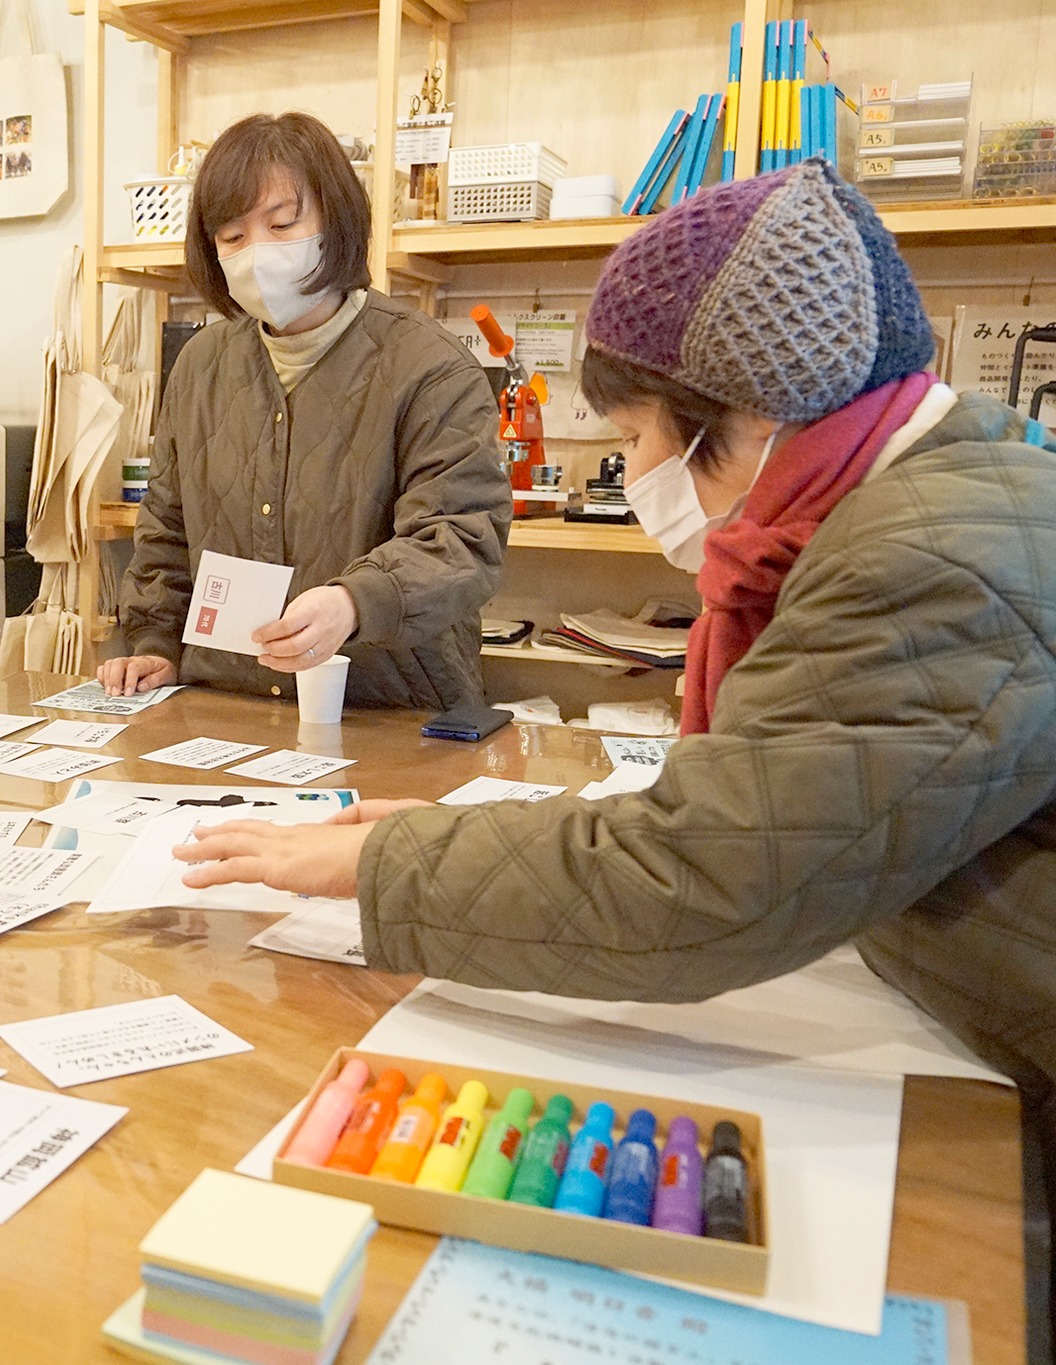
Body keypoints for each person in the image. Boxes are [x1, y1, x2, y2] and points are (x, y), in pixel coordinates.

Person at [175, 160, 1056, 1337]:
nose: (633, 477)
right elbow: (761, 809)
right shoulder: (914, 497)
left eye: (637, 436)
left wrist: (380, 869)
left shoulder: (924, 559)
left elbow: (700, 877)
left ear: (750, 410)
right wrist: (451, 836)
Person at [97, 112, 508, 710]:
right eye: (232, 237)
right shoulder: (201, 365)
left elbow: (461, 538)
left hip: (386, 708)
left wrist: (354, 603)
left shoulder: (428, 366)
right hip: (226, 703)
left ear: (335, 220)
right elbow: (167, 531)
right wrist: (153, 641)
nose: (257, 253)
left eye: (283, 223)